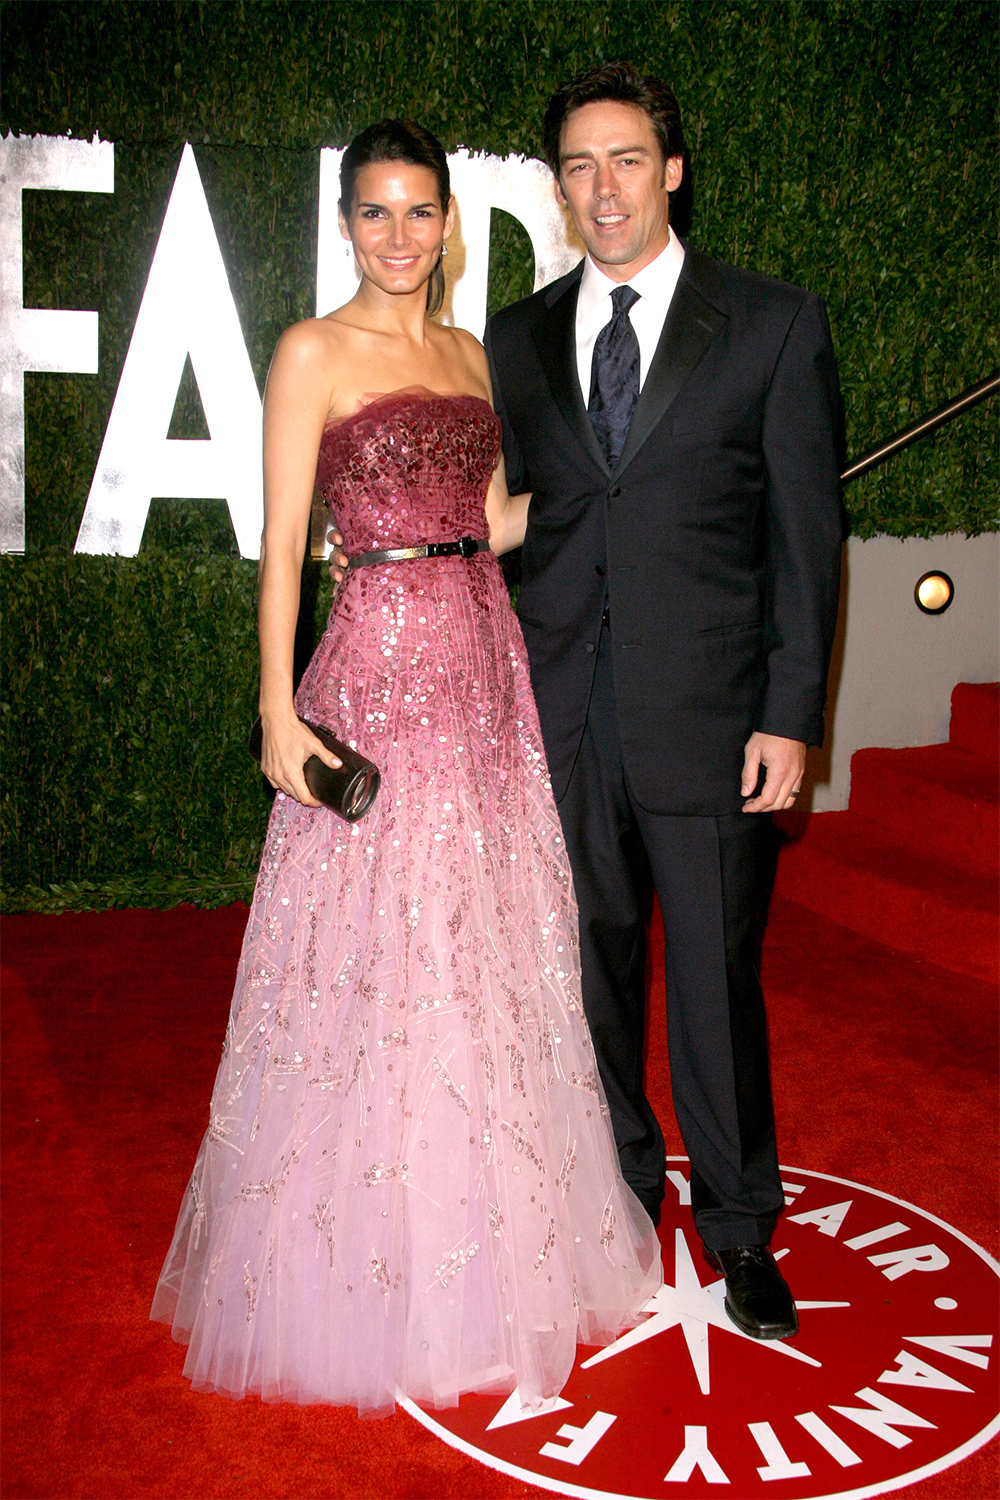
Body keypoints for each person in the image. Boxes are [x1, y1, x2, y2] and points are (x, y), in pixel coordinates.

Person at [150, 118, 660, 1417]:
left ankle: (496, 1257)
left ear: (449, 222)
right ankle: (379, 1269)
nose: (397, 236)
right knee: (382, 961)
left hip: (485, 669)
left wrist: (626, 489)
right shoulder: (311, 351)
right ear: (346, 225)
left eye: (419, 212)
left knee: (488, 954)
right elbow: (282, 547)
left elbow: (489, 521)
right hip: (376, 666)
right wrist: (276, 704)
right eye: (373, 213)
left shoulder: (469, 356)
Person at [483, 63, 844, 1341]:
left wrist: (790, 715)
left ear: (672, 169)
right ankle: (619, 1194)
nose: (603, 190)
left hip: (712, 720)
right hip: (563, 709)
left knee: (715, 979)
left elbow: (807, 540)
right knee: (590, 974)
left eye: (625, 159)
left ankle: (740, 1225)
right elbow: (516, 520)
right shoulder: (517, 337)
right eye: (578, 166)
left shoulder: (771, 324)